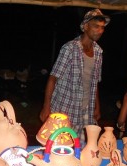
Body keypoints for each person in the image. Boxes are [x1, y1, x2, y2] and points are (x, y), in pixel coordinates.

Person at [39, 9, 110, 145]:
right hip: (65, 108)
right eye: (96, 26)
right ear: (85, 26)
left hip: (85, 110)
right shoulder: (70, 49)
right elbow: (53, 78)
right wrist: (46, 106)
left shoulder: (98, 52)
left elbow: (94, 82)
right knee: (59, 147)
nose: (100, 31)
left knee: (81, 147)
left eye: (102, 28)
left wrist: (97, 106)